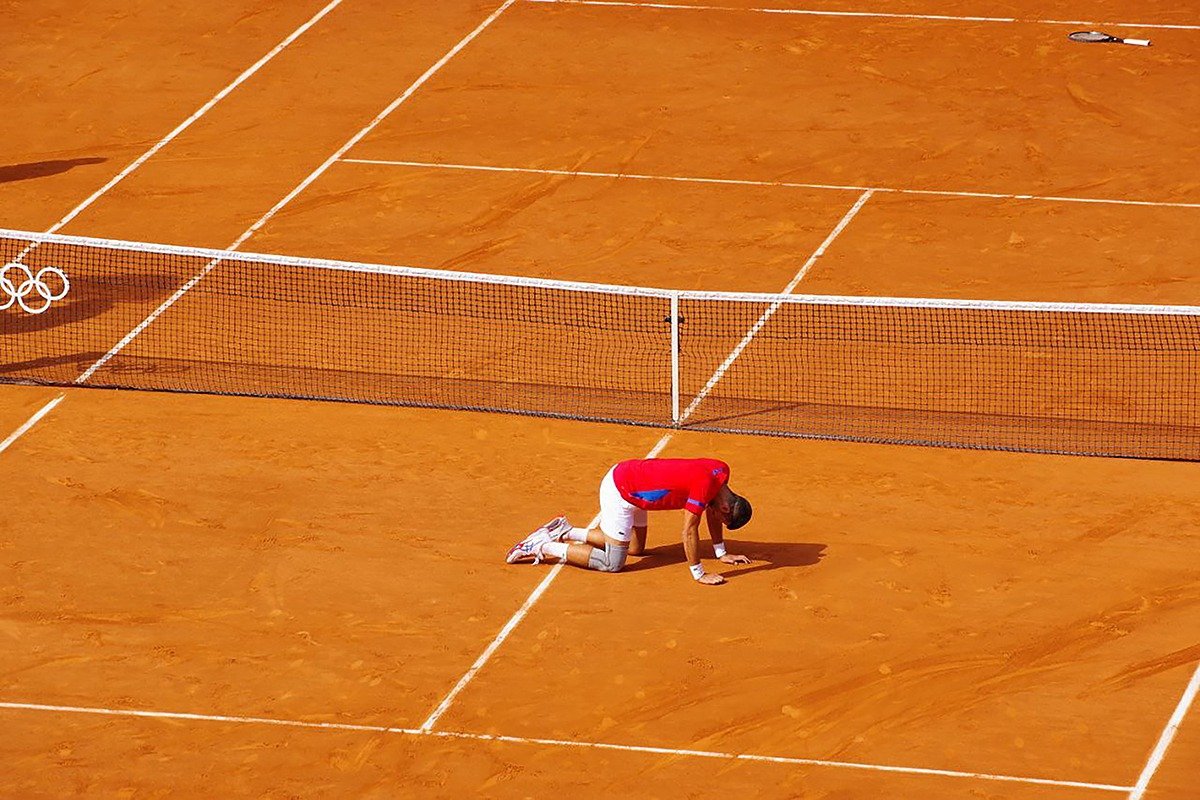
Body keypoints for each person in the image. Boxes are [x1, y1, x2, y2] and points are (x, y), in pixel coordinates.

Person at [505, 457, 752, 585]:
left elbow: (712, 511)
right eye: (722, 517)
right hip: (622, 491)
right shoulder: (704, 488)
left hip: (636, 479)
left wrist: (720, 553)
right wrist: (699, 573)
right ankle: (540, 545)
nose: (716, 518)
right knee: (613, 563)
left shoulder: (721, 472)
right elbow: (689, 530)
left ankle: (567, 531)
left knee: (635, 549)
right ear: (726, 506)